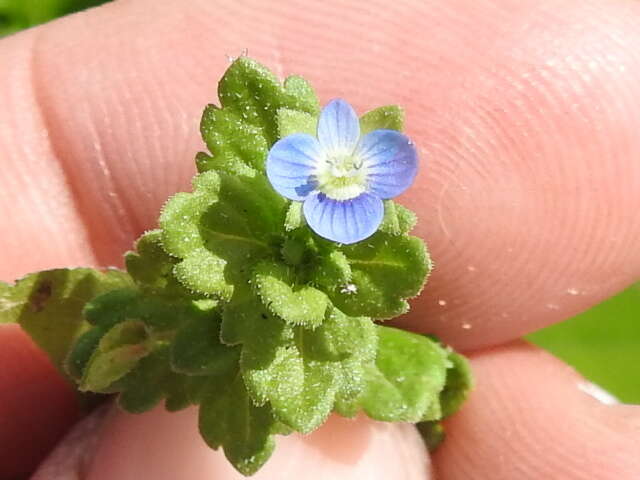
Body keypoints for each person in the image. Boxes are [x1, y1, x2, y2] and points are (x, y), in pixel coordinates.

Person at [1, 0, 639, 478]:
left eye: (355, 166)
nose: (344, 169)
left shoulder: (358, 208)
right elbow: (267, 185)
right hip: (275, 246)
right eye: (338, 166)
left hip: (330, 232)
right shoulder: (291, 177)